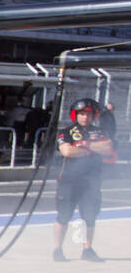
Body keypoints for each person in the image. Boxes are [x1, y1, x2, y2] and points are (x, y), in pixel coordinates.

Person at [52, 98, 115, 262]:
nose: (84, 117)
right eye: (81, 114)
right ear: (75, 115)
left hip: (91, 180)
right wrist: (92, 148)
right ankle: (58, 249)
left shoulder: (100, 132)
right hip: (68, 180)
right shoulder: (66, 132)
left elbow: (107, 148)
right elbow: (66, 151)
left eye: (88, 114)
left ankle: (87, 249)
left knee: (90, 216)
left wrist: (84, 145)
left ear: (93, 115)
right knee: (63, 215)